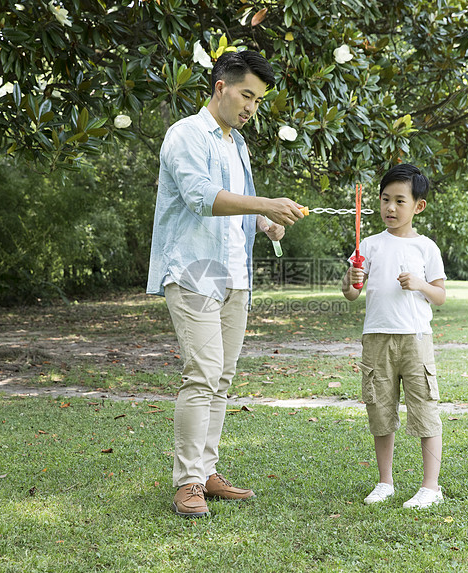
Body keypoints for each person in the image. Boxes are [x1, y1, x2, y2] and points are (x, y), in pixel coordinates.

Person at [147, 49, 305, 518]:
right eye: (247, 95)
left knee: (222, 377)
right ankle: (188, 482)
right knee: (202, 372)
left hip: (234, 273)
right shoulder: (186, 135)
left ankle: (206, 470)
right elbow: (200, 198)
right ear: (221, 87)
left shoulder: (236, 144)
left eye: (258, 100)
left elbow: (242, 207)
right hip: (195, 268)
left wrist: (267, 224)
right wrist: (263, 206)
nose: (252, 108)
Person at [341, 163, 447, 509]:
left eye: (400, 201)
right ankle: (385, 482)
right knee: (380, 410)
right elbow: (352, 294)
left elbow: (441, 295)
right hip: (376, 338)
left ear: (418, 206)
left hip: (415, 339)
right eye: (385, 199)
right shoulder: (369, 245)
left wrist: (419, 284)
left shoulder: (426, 247)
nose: (390, 208)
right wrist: (352, 278)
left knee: (425, 410)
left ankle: (430, 486)